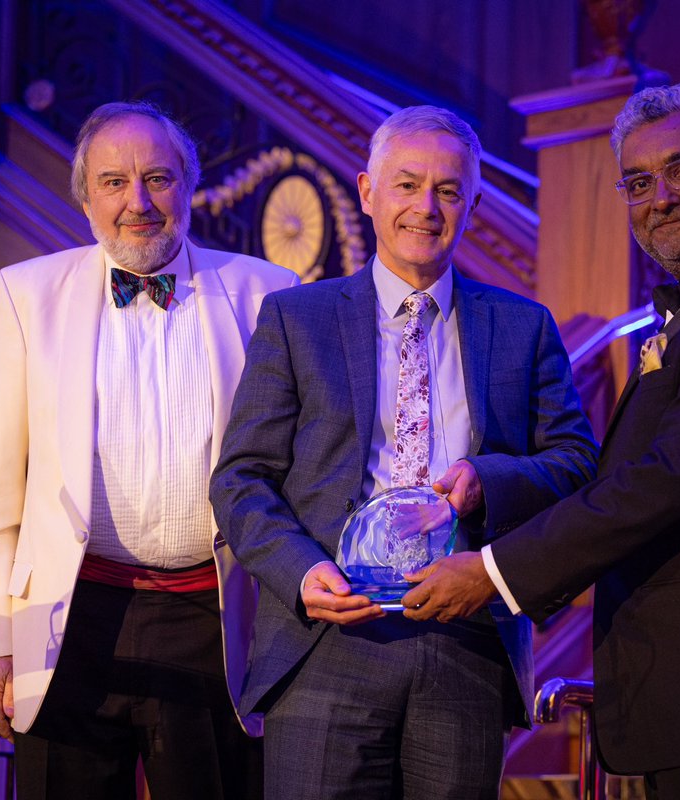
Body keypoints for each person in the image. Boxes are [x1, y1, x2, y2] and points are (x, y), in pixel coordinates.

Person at [404, 83, 680, 800]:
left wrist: (491, 572)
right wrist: (494, 482)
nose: (662, 198)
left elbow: (660, 482)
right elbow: (627, 475)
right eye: (639, 182)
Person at [209, 105, 598, 800]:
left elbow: (575, 461)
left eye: (449, 191)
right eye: (407, 185)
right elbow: (242, 480)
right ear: (366, 191)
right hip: (327, 642)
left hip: (465, 641)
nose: (426, 207)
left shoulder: (522, 327)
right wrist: (302, 574)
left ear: (473, 203)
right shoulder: (297, 319)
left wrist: (486, 478)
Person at [0, 100, 298, 799]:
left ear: (190, 185)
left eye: (158, 178)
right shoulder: (24, 297)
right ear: (85, 197)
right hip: (69, 623)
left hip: (219, 623)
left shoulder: (273, 296)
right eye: (113, 182)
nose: (137, 201)